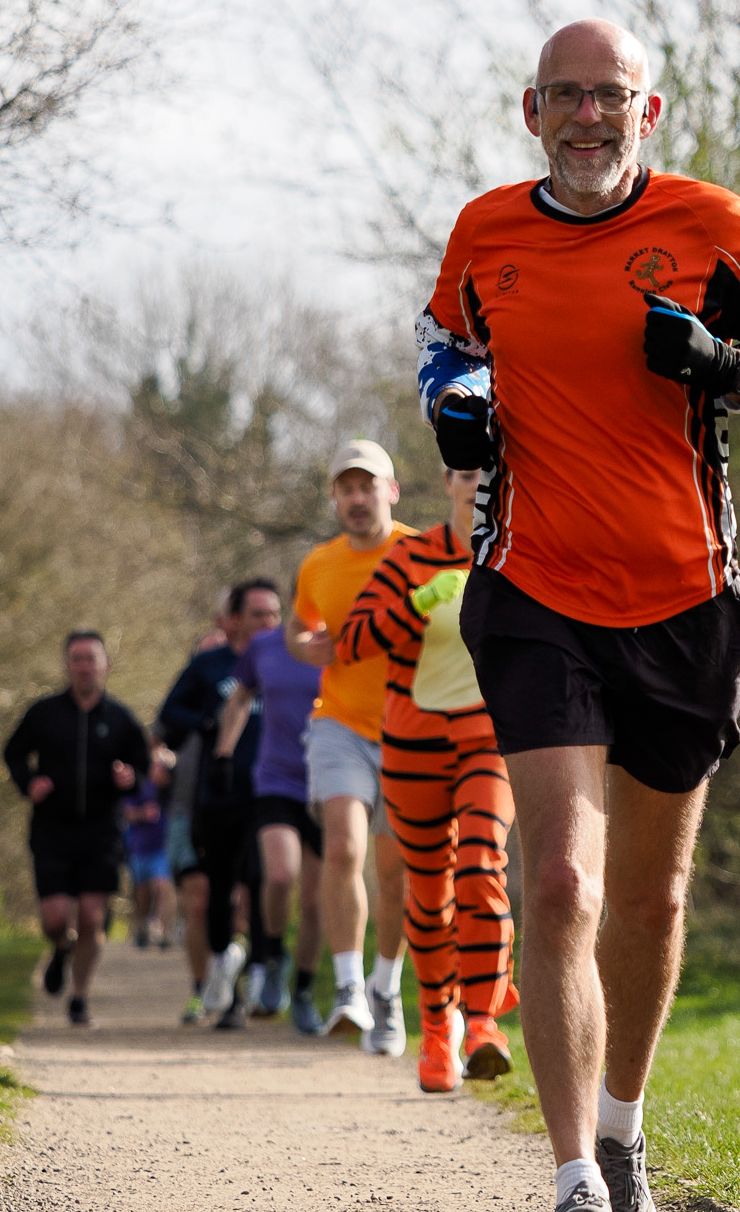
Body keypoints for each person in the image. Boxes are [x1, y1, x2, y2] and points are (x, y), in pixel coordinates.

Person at [418, 17, 740, 1212]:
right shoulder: (487, 232)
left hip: (683, 604)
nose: (587, 116)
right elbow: (447, 349)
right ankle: (573, 1190)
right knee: (559, 880)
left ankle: (621, 1131)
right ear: (530, 109)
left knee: (651, 902)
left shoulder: (716, 227)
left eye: (610, 96)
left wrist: (727, 365)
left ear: (646, 110)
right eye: (565, 96)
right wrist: (458, 404)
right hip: (533, 593)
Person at [334, 463, 518, 1092]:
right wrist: (417, 604)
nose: (477, 483)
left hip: (489, 740)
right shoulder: (410, 557)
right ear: (447, 483)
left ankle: (485, 1023)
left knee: (480, 865)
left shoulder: (520, 551)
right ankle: (438, 1029)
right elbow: (353, 642)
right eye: (466, 473)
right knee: (430, 894)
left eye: (490, 471)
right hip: (413, 745)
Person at [288, 441, 416, 1044]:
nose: (358, 498)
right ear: (335, 498)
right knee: (342, 849)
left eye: (368, 486)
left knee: (398, 873)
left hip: (412, 728)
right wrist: (303, 645)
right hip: (339, 724)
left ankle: (384, 987)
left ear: (392, 491)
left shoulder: (422, 554)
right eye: (347, 488)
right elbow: (300, 624)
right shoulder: (319, 564)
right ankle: (347, 988)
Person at [2, 631, 152, 1028]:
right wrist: (28, 782)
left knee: (91, 918)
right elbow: (13, 753)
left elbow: (142, 768)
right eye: (77, 659)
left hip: (102, 832)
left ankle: (79, 997)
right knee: (55, 920)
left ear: (106, 665)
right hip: (52, 830)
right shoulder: (44, 713)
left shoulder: (120, 719)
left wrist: (130, 779)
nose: (84, 666)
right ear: (67, 666)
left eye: (91, 659)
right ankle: (60, 950)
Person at [156, 579, 281, 1030]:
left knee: (264, 882)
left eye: (274, 614)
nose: (267, 622)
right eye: (257, 614)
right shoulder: (208, 665)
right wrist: (210, 719)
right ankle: (224, 982)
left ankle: (263, 974)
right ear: (235, 620)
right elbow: (170, 715)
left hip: (271, 794)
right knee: (217, 893)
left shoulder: (286, 658)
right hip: (218, 796)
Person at [214, 588, 324, 1034]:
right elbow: (240, 697)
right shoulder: (264, 646)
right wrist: (224, 751)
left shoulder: (344, 641)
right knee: (279, 875)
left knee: (316, 902)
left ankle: (303, 991)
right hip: (276, 778)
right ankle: (274, 958)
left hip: (328, 780)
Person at [121, 773, 174, 948]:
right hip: (138, 850)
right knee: (142, 895)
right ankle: (142, 929)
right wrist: (144, 813)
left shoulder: (167, 785)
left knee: (163, 888)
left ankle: (163, 932)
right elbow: (127, 813)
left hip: (160, 849)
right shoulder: (137, 784)